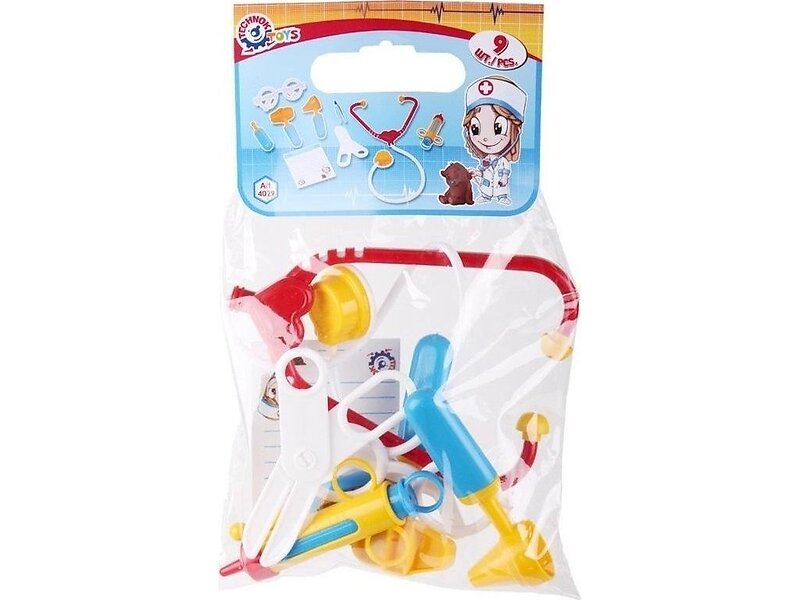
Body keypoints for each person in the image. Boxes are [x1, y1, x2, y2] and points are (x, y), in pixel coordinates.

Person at [462, 76, 527, 205]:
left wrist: (504, 178)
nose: (485, 138)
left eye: (498, 128)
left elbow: (506, 171)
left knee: (500, 190)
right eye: (475, 128)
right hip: (486, 188)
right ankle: (485, 196)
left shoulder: (503, 161)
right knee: (486, 187)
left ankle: (502, 197)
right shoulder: (485, 159)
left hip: (499, 186)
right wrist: (476, 173)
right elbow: (482, 170)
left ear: (516, 130)